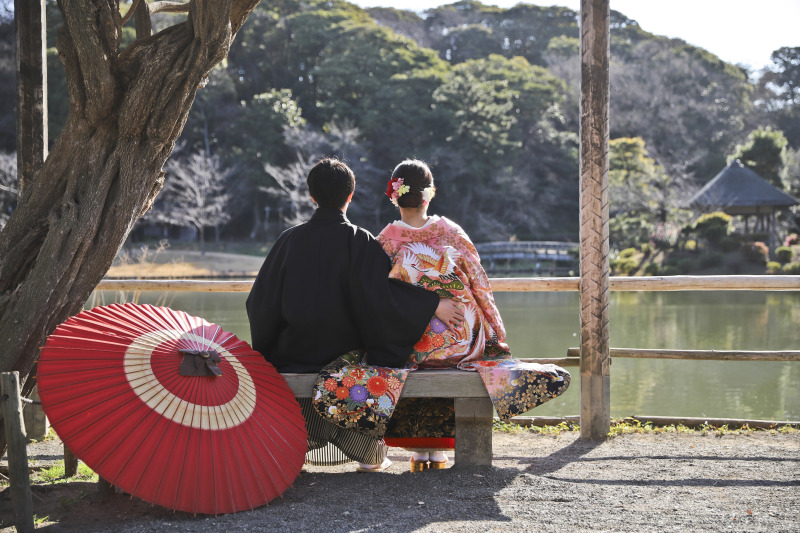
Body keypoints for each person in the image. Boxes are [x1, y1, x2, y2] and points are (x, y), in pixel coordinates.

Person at [246, 158, 464, 472]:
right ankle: (366, 451)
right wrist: (430, 304)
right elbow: (384, 302)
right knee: (372, 363)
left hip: (292, 354)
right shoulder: (361, 242)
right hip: (348, 361)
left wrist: (268, 350)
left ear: (312, 196)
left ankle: (297, 439)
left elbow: (259, 304)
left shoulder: (288, 241)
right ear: (351, 196)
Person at [376, 159, 570, 472]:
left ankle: (420, 451)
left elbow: (379, 296)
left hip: (411, 342)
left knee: (410, 351)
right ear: (430, 194)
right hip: (463, 342)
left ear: (394, 194)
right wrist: (495, 336)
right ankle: (439, 453)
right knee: (462, 345)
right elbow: (480, 286)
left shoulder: (385, 241)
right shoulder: (452, 233)